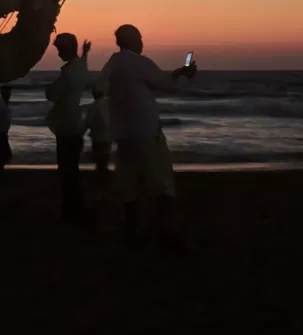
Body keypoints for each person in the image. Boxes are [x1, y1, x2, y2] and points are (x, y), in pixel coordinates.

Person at [94, 25, 197, 241]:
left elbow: (100, 89)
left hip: (123, 135)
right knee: (163, 186)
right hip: (147, 134)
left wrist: (175, 73)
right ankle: (167, 233)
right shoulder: (140, 62)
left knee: (129, 189)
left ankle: (133, 234)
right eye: (139, 38)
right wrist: (186, 77)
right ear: (131, 40)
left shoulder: (112, 63)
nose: (142, 42)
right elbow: (172, 88)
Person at [45, 34, 91, 224]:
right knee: (71, 170)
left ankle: (72, 213)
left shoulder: (70, 71)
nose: (58, 53)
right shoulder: (78, 67)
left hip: (67, 125)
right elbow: (83, 67)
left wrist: (50, 89)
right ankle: (75, 210)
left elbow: (53, 94)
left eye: (59, 49)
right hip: (74, 123)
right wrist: (84, 53)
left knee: (67, 172)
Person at [84, 84, 112, 187]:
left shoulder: (93, 106)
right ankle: (105, 179)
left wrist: (81, 133)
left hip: (97, 136)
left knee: (99, 158)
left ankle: (101, 180)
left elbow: (88, 122)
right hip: (108, 135)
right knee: (105, 158)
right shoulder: (108, 104)